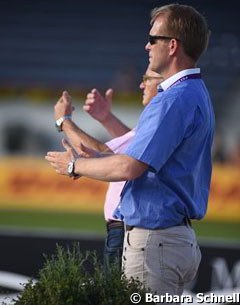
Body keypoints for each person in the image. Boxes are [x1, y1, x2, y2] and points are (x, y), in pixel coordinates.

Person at [46, 3, 215, 301]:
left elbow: (129, 166)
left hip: (155, 241)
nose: (146, 46)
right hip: (169, 239)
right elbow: (126, 155)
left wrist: (75, 165)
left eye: (153, 39)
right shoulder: (192, 92)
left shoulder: (174, 98)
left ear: (172, 45)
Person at [53, 67, 162, 272]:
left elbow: (97, 153)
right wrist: (107, 118)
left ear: (164, 84)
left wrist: (63, 121)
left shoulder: (161, 117)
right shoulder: (160, 119)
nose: (141, 84)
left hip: (125, 228)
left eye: (147, 79)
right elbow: (127, 150)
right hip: (128, 227)